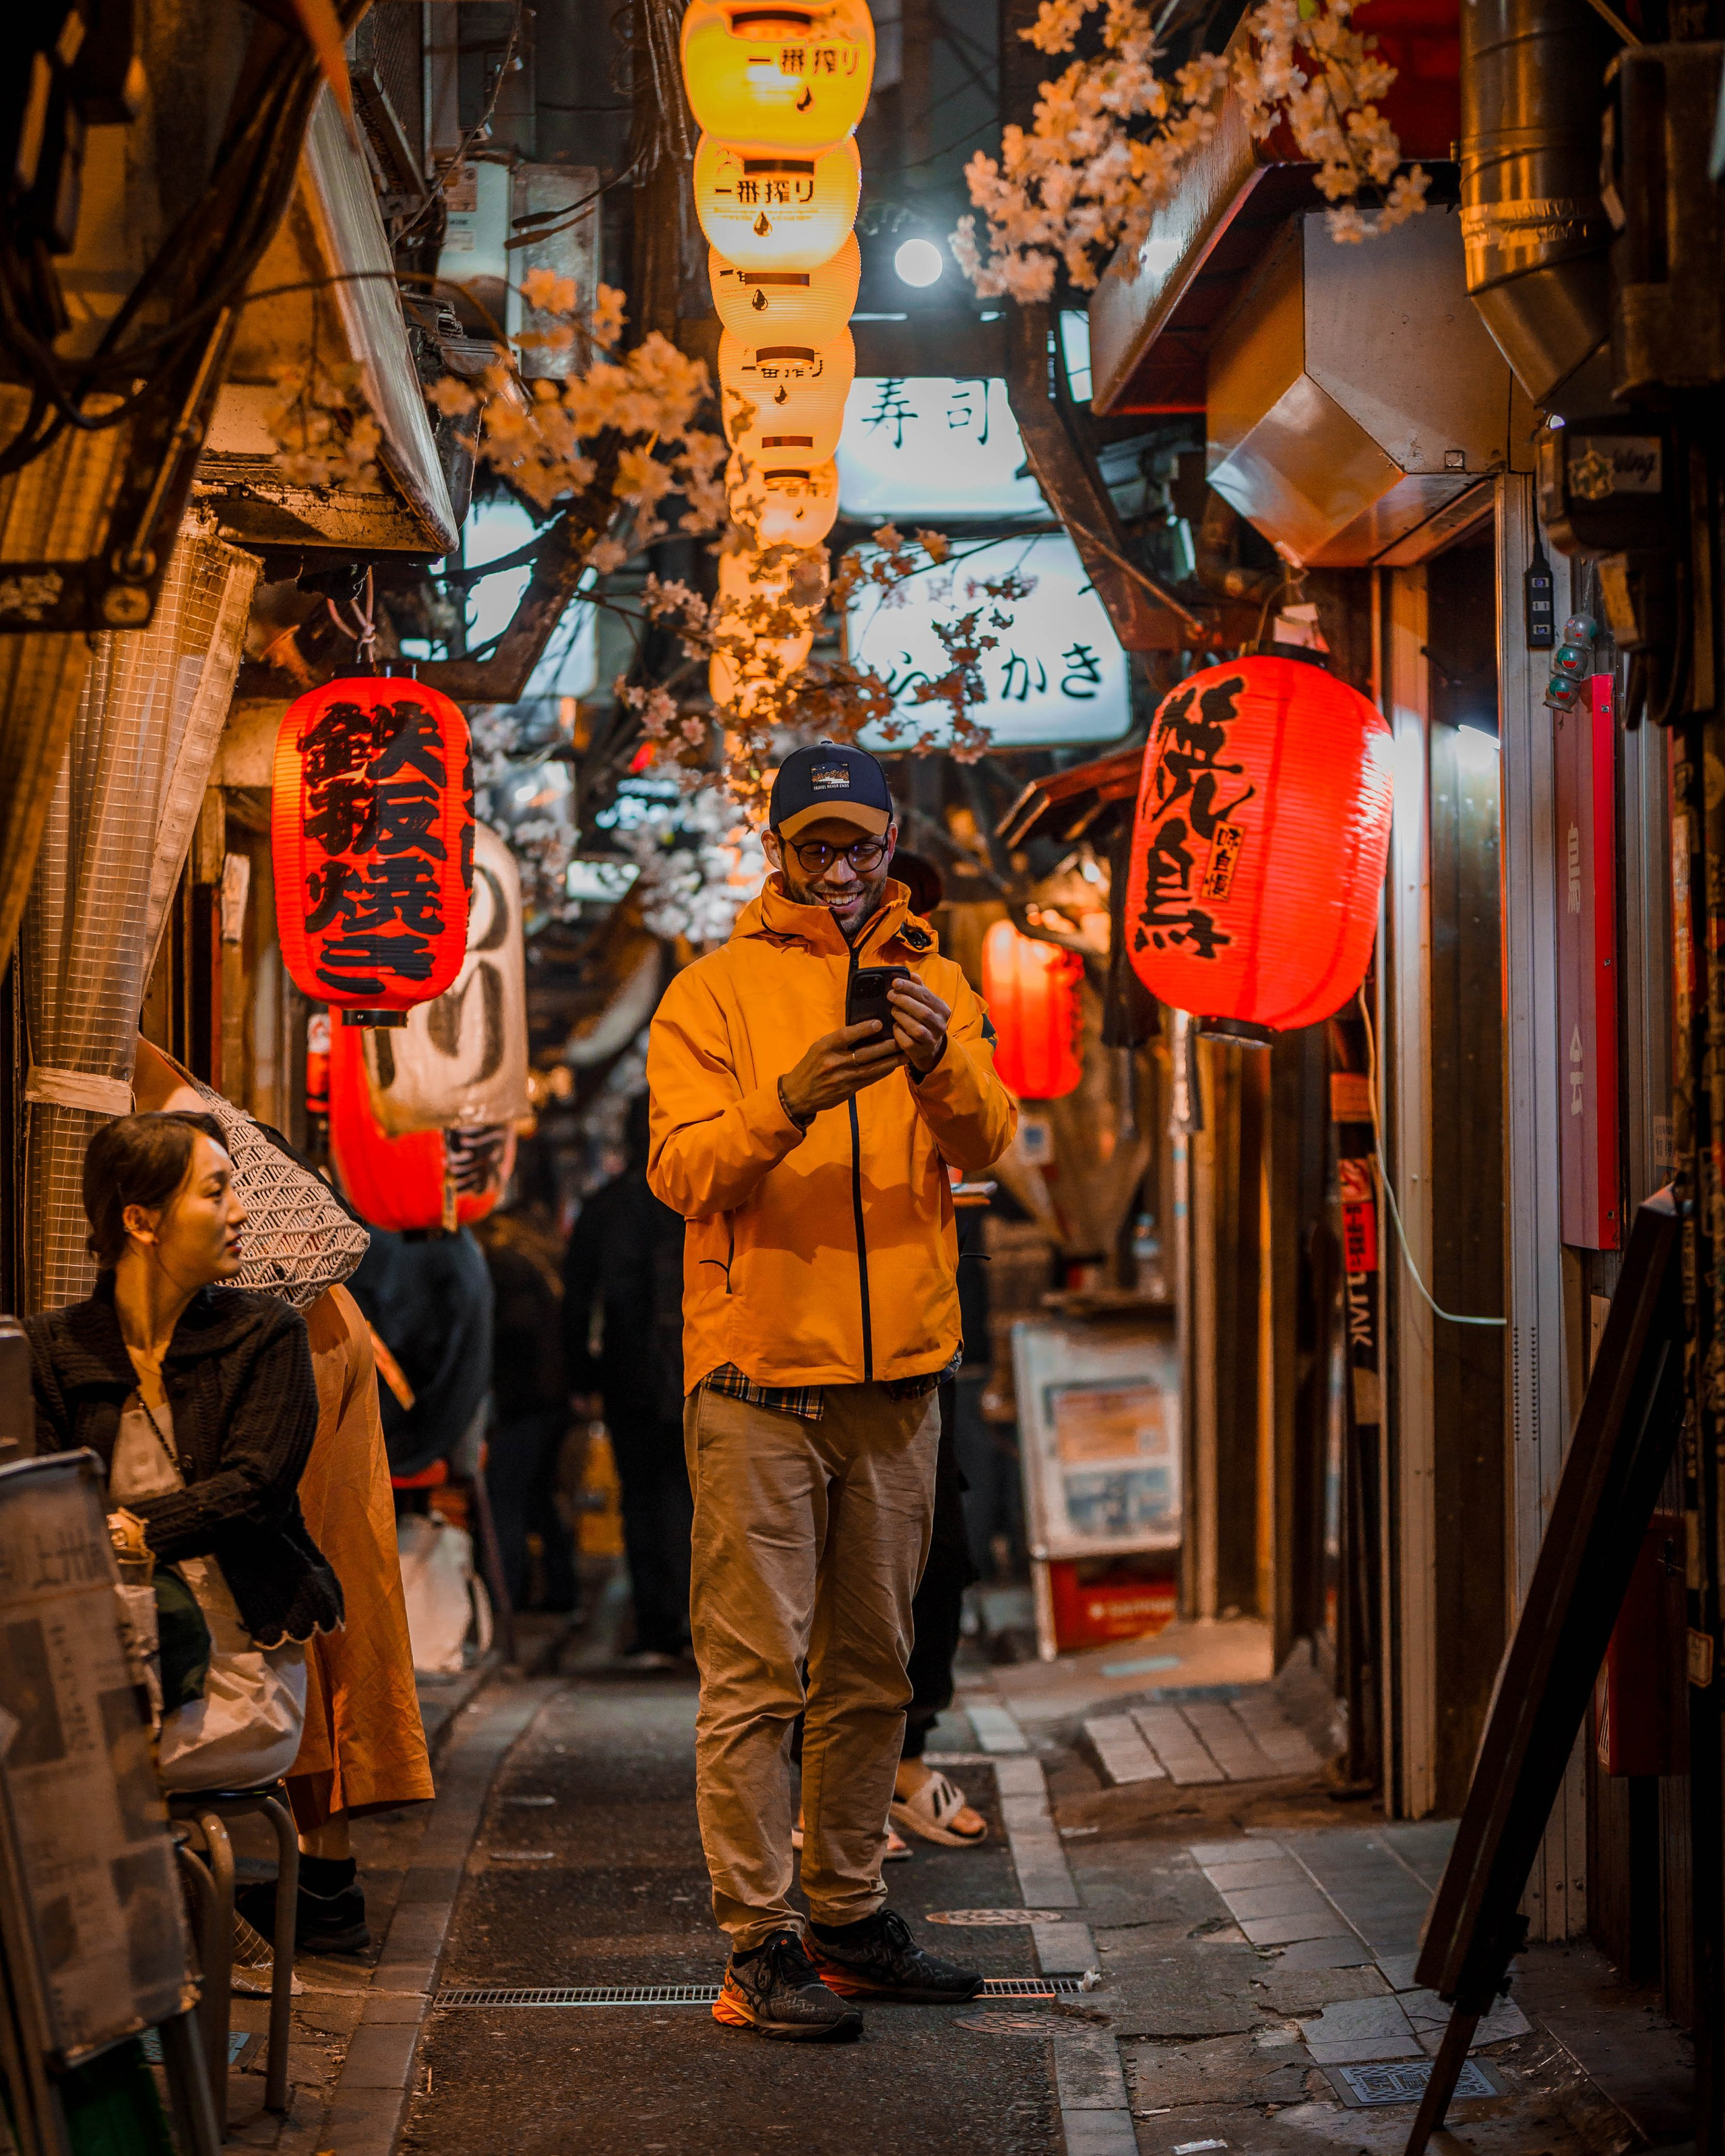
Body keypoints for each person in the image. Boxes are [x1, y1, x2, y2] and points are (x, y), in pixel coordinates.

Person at [647, 741, 1016, 2041]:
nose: (842, 867)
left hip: (902, 1382)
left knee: (874, 1672)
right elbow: (683, 1172)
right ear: (780, 852)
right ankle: (756, 1946)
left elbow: (991, 1141)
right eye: (816, 846)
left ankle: (848, 1922)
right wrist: (789, 1100)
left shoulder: (939, 980)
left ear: (889, 839)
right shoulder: (711, 993)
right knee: (756, 1679)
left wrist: (940, 1063)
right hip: (759, 1381)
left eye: (859, 842)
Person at [26, 1113, 342, 1793]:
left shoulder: (266, 1334)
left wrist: (128, 1532)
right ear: (141, 1221)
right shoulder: (50, 1348)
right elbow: (40, 1512)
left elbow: (255, 1491)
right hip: (94, 1655)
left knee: (68, 1775)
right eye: (215, 1191)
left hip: (238, 1661)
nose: (241, 1212)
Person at [563, 1092, 692, 1665]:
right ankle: (694, 1621)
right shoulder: (697, 1195)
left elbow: (577, 1301)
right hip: (698, 1366)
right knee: (699, 1497)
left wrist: (581, 1375)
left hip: (627, 1371)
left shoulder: (606, 1207)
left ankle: (656, 1625)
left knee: (639, 1498)